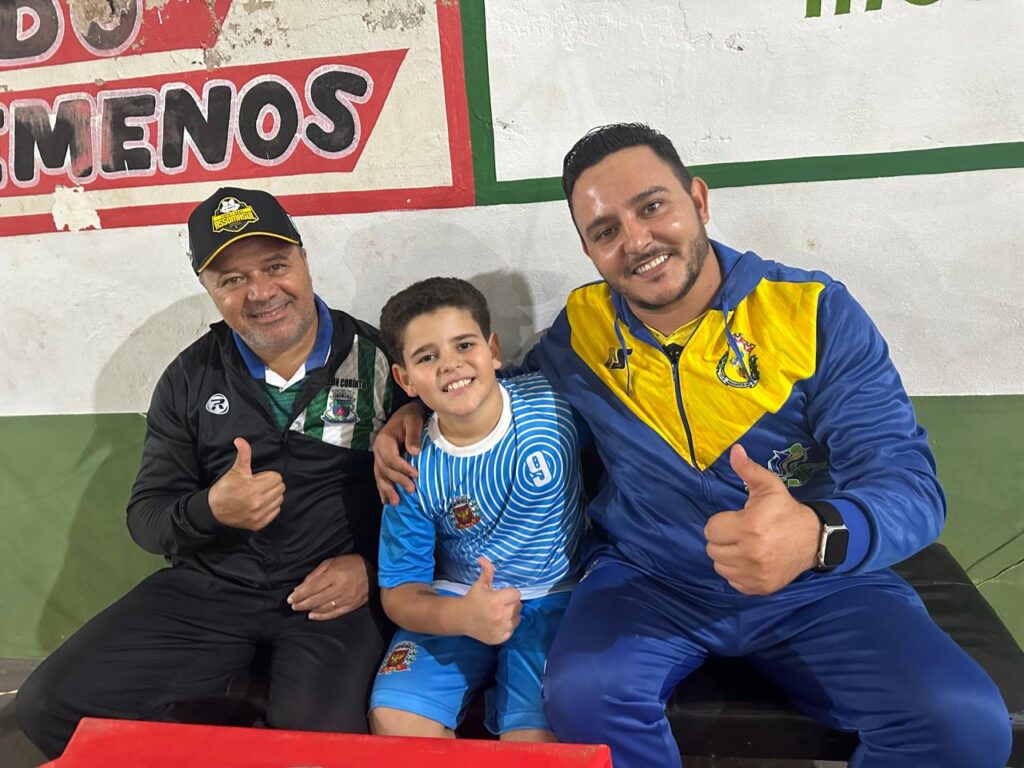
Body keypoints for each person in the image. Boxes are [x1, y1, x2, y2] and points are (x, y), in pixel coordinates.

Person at [372, 125, 1013, 767]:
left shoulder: (813, 312)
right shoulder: (584, 330)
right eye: (605, 231)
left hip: (815, 584)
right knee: (581, 698)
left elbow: (909, 486)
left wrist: (815, 535)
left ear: (698, 201)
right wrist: (408, 412)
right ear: (590, 251)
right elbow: (492, 384)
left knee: (963, 726)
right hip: (650, 581)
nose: (637, 242)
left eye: (652, 206)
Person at [17, 187, 402, 758]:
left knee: (319, 745)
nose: (262, 292)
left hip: (332, 597)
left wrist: (371, 569)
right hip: (213, 590)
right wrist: (210, 510)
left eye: (275, 266)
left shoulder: (378, 359)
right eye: (232, 280)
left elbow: (440, 501)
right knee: (48, 707)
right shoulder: (190, 377)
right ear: (209, 290)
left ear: (303, 257)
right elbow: (147, 517)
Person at [367, 277, 588, 742]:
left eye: (463, 345)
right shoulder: (408, 465)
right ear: (405, 379)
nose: (449, 365)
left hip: (556, 597)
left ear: (492, 349)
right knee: (395, 723)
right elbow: (401, 591)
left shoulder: (556, 406)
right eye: (426, 357)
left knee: (536, 744)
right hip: (454, 597)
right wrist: (463, 617)